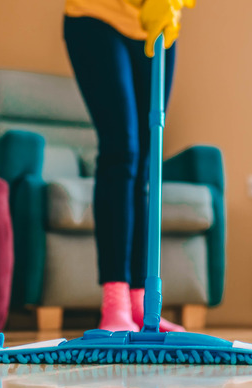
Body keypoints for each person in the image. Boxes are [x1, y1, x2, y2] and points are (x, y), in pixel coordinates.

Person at [63, 0, 195, 332]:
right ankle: (115, 302)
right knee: (121, 150)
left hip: (156, 25)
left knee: (147, 162)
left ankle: (140, 303)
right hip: (96, 16)